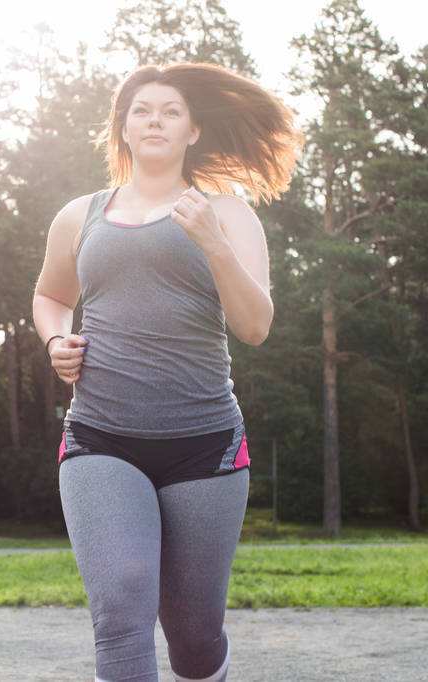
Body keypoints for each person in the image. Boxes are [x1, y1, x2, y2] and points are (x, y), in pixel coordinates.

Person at [31, 62, 301, 682]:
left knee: (195, 637)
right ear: (122, 129)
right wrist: (55, 339)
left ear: (193, 131)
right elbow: (49, 296)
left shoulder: (228, 214)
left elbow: (256, 326)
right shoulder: (81, 215)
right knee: (122, 609)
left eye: (170, 111)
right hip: (101, 438)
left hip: (204, 448)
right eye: (141, 110)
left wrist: (212, 242)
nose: (154, 120)